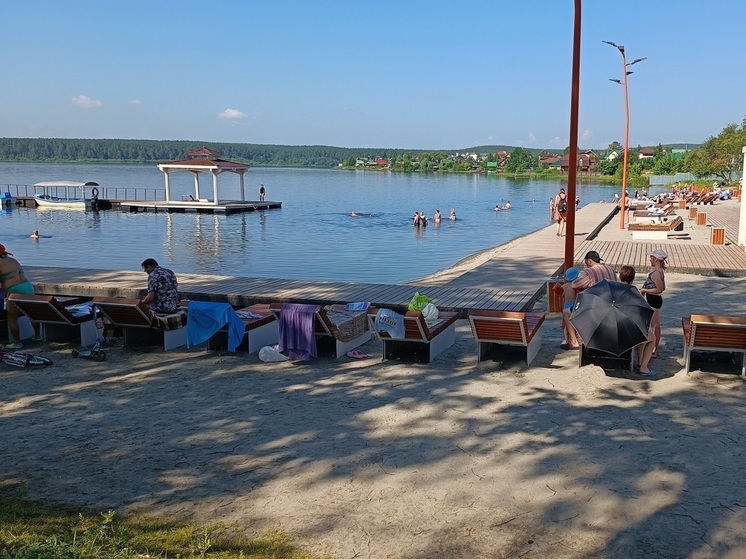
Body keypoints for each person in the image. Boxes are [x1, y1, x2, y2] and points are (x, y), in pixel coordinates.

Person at [619, 265, 656, 376]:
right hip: (629, 330)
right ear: (633, 278)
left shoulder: (615, 290)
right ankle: (643, 366)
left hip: (615, 328)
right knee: (651, 337)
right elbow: (642, 312)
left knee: (643, 336)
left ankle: (640, 361)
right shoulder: (635, 293)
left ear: (620, 277)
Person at [0, 244, 34, 349]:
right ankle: (37, 336)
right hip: (28, 287)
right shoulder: (12, 259)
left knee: (12, 318)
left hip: (15, 290)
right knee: (32, 313)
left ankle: (17, 342)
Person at [639, 249, 667, 358]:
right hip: (655, 300)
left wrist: (644, 290)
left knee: (655, 326)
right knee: (655, 325)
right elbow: (663, 288)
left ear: (656, 259)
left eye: (651, 257)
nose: (650, 259)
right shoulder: (660, 272)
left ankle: (654, 349)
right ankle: (655, 348)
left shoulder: (656, 273)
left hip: (653, 300)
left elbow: (659, 289)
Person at [557, 266, 580, 350]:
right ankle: (576, 338)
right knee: (574, 323)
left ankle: (567, 339)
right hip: (573, 305)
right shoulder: (576, 286)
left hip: (566, 305)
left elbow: (561, 295)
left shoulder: (564, 286)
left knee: (566, 325)